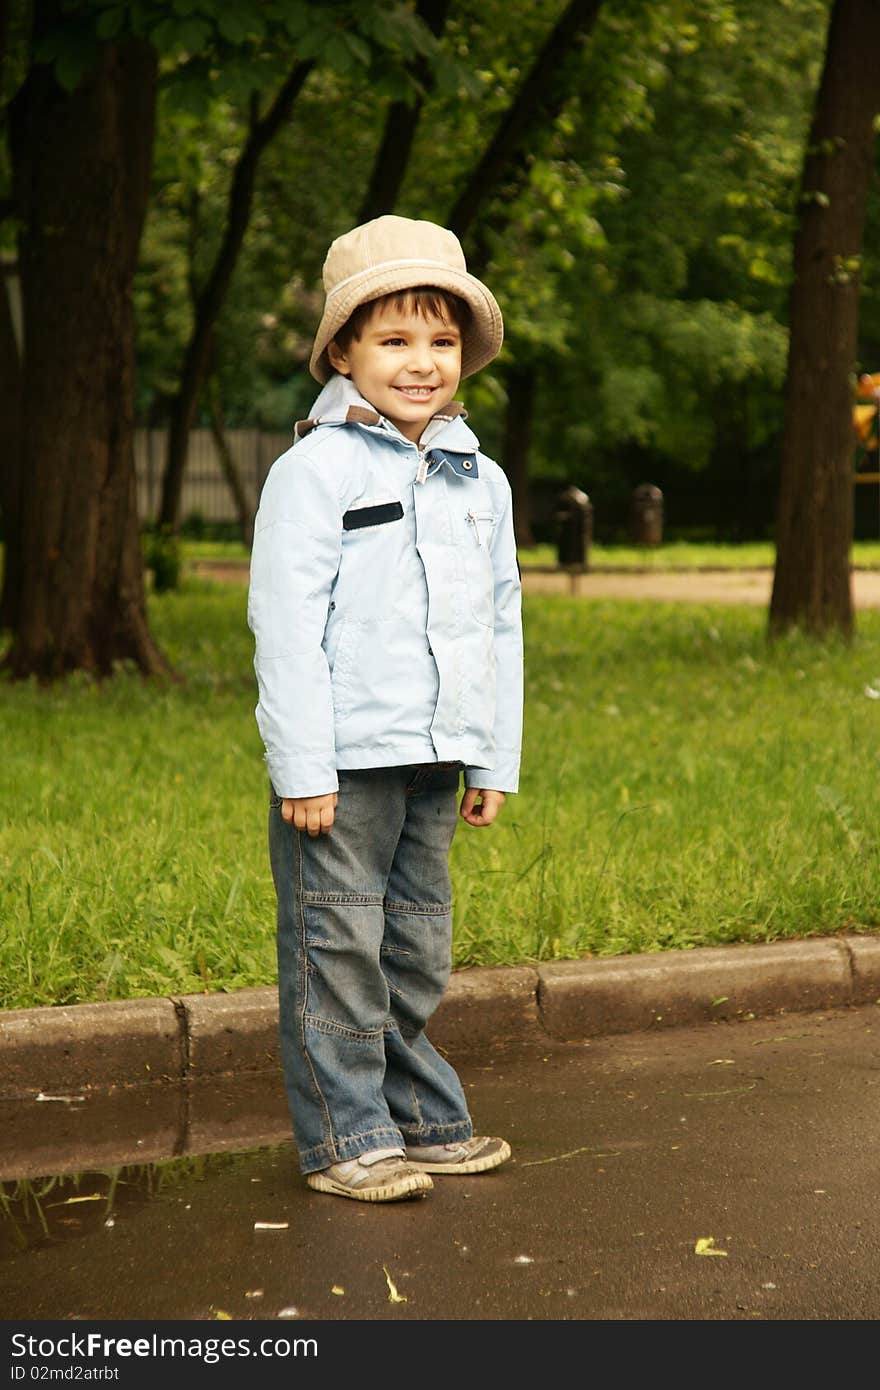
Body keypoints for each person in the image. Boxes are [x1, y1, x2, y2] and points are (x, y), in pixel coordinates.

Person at [247, 215, 523, 1202]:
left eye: (440, 341)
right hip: (343, 768)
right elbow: (285, 629)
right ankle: (346, 1135)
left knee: (414, 947)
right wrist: (303, 768)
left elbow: (501, 624)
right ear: (343, 350)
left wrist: (492, 758)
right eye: (394, 339)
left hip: (435, 757)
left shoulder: (477, 479)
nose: (421, 362)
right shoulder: (315, 471)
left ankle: (421, 1117)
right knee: (339, 948)